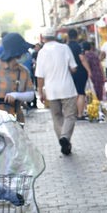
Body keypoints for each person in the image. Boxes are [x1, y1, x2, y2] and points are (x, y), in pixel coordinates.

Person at [35, 25, 78, 155]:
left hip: (51, 90)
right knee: (70, 115)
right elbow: (74, 68)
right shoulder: (64, 48)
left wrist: (40, 92)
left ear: (43, 38)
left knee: (56, 117)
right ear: (56, 36)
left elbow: (40, 76)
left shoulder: (42, 52)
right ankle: (65, 137)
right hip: (67, 88)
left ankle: (63, 140)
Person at [0, 34, 35, 124]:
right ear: (16, 53)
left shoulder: (23, 71)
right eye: (23, 52)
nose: (25, 54)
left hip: (17, 120)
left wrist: (15, 95)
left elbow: (31, 94)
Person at [66, 28, 89, 119]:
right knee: (81, 93)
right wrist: (89, 71)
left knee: (73, 93)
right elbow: (82, 59)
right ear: (76, 36)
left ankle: (74, 113)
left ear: (68, 36)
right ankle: (80, 114)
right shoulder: (79, 46)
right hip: (80, 72)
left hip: (69, 72)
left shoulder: (65, 47)